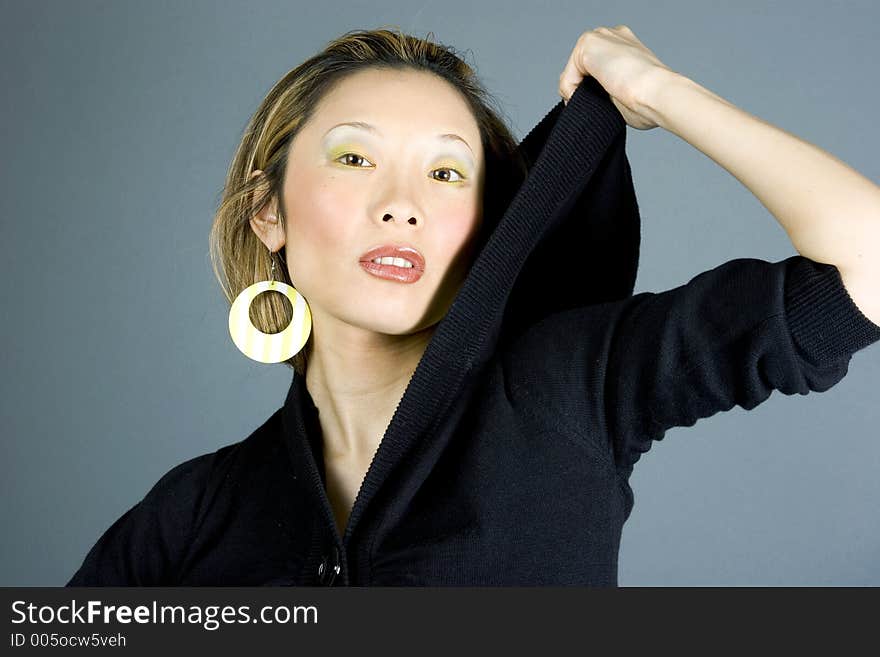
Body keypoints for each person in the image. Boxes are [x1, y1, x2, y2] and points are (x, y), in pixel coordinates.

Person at [66, 26, 880, 586]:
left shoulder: (567, 388)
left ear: (485, 224)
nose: (403, 205)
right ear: (267, 211)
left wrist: (659, 91)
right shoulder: (195, 509)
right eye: (354, 157)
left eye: (447, 173)